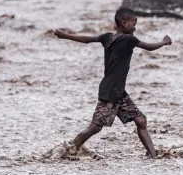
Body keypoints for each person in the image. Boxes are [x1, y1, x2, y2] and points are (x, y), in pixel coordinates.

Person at [53, 8, 173, 158]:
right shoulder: (129, 39)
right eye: (133, 24)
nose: (135, 27)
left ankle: (154, 156)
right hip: (110, 91)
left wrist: (66, 36)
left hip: (118, 91)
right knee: (95, 127)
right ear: (124, 23)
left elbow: (87, 40)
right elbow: (149, 47)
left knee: (141, 121)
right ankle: (69, 149)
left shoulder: (107, 37)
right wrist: (164, 41)